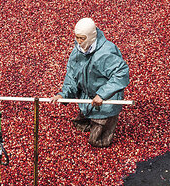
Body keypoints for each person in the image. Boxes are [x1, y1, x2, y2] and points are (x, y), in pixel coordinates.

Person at [50, 18, 130, 148]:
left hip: (106, 102)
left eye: (82, 38)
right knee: (80, 124)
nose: (79, 41)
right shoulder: (77, 51)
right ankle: (88, 118)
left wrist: (102, 95)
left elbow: (121, 73)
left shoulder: (105, 53)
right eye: (77, 37)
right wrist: (63, 94)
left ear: (91, 36)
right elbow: (72, 76)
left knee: (97, 141)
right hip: (87, 98)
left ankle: (103, 124)